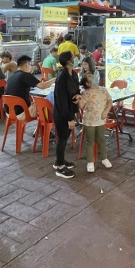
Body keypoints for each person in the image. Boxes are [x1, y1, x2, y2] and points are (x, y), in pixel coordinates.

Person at [52, 51, 80, 179]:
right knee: (62, 139)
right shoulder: (62, 77)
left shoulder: (73, 74)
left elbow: (76, 89)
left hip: (70, 110)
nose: (75, 58)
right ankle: (60, 167)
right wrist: (69, 118)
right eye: (73, 57)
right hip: (62, 112)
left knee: (65, 137)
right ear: (68, 61)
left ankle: (60, 160)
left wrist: (78, 96)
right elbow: (62, 100)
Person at [77, 72, 113, 173]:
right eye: (90, 77)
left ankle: (104, 158)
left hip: (101, 120)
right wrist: (79, 98)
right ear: (87, 83)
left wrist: (106, 111)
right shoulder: (86, 93)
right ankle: (90, 161)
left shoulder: (103, 90)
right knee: (90, 142)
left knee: (101, 139)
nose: (93, 77)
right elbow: (80, 106)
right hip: (89, 121)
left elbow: (110, 101)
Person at [4, 54, 55, 119]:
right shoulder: (25, 75)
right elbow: (43, 86)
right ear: (26, 64)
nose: (31, 67)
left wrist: (30, 73)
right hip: (21, 112)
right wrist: (55, 79)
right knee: (46, 103)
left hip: (9, 112)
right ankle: (44, 127)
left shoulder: (12, 76)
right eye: (30, 65)